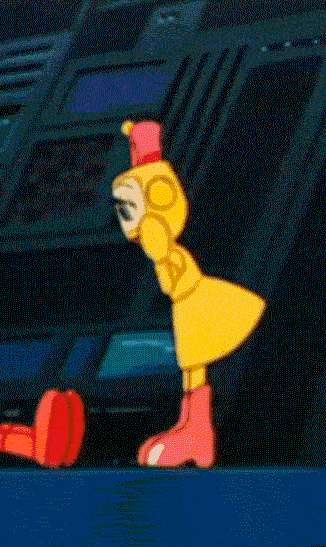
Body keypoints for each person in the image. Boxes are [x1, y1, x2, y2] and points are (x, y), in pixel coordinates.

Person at [112, 120, 266, 468]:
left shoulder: (160, 237)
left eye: (126, 209)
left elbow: (162, 251)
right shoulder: (159, 239)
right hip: (188, 306)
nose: (125, 221)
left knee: (195, 365)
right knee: (192, 368)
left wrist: (152, 230)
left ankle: (197, 432)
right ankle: (194, 431)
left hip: (197, 304)